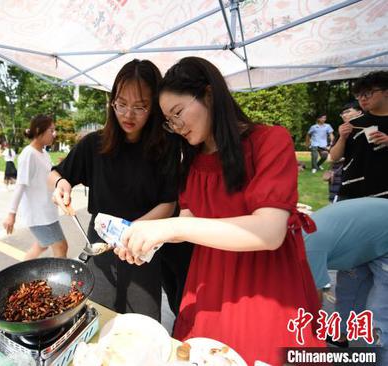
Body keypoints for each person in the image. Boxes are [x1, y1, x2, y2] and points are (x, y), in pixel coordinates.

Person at [115, 57, 324, 365]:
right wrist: (149, 239)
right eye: (169, 120)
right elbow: (189, 217)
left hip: (266, 286)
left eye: (178, 113)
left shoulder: (270, 140)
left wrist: (170, 228)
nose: (176, 126)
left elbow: (269, 231)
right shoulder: (194, 161)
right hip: (211, 281)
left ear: (209, 95)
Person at [49, 59, 182, 321]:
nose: (127, 114)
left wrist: (132, 234)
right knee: (97, 319)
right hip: (100, 247)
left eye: (140, 106)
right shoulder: (94, 144)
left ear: (154, 106)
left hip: (142, 247)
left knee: (143, 324)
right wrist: (59, 185)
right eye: (121, 104)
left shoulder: (166, 147)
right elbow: (57, 173)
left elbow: (168, 203)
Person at [304, 198, 387, 355]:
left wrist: (310, 335)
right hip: (366, 234)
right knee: (348, 289)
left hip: (380, 231)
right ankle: (341, 335)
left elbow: (314, 298)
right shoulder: (295, 235)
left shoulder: (308, 248)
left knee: (381, 311)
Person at [2, 115, 68, 260]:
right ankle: (63, 280)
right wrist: (11, 214)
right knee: (61, 246)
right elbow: (20, 185)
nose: (54, 134)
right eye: (52, 130)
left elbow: (48, 177)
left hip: (47, 212)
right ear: (39, 130)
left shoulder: (44, 153)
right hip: (39, 215)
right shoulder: (28, 154)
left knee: (42, 245)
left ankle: (21, 274)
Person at [330, 71, 388, 200]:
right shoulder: (353, 124)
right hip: (351, 191)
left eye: (367, 93)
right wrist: (342, 138)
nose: (362, 99)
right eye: (358, 95)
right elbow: (334, 157)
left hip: (384, 193)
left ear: (386, 92)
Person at [325, 102, 363, 203]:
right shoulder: (342, 131)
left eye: (348, 112)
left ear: (359, 112)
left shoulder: (369, 128)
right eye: (342, 114)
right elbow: (333, 157)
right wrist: (342, 137)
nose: (344, 115)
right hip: (342, 176)